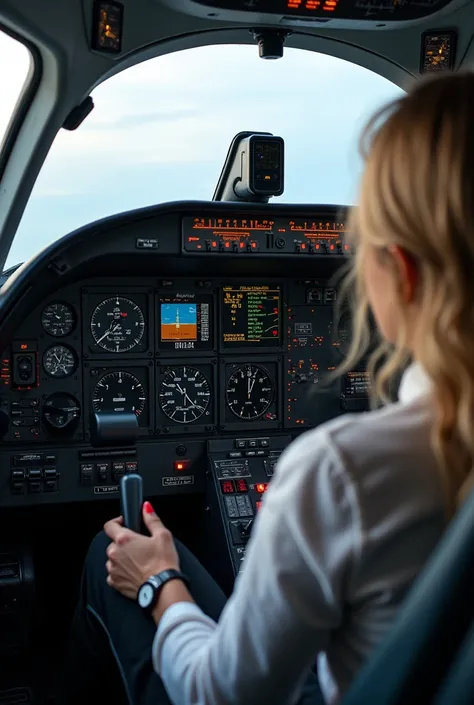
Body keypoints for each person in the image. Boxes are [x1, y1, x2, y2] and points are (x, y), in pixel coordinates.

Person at [65, 71, 474, 705]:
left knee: (107, 551)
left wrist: (160, 581)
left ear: (403, 272)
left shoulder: (344, 471)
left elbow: (219, 693)